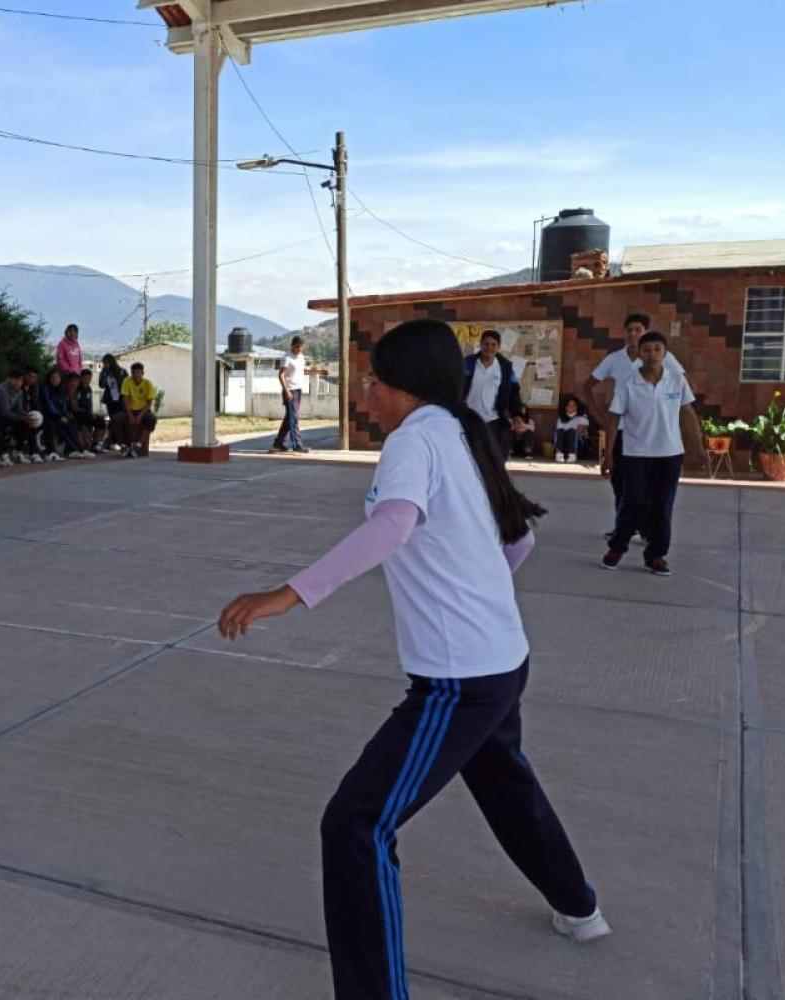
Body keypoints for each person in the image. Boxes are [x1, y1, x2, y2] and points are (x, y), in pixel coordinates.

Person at [216, 319, 607, 1000]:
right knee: (505, 783)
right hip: (501, 659)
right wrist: (478, 593)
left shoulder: (413, 441)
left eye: (374, 380)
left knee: (356, 824)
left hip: (459, 680)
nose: (365, 392)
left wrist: (288, 595)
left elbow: (393, 526)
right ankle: (580, 909)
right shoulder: (460, 433)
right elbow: (518, 543)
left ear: (406, 389)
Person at [602, 332, 705, 576]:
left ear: (665, 353)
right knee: (633, 502)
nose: (652, 354)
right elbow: (614, 417)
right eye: (647, 350)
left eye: (657, 349)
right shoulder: (628, 383)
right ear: (640, 353)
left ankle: (656, 555)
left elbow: (687, 414)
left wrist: (698, 447)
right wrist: (608, 455)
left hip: (669, 454)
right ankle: (617, 547)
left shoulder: (676, 381)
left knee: (663, 506)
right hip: (635, 454)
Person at [582, 312, 686, 514]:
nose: (633, 334)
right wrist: (599, 417)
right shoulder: (614, 359)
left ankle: (646, 528)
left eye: (638, 329)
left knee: (648, 486)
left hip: (652, 432)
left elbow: (682, 390)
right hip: (620, 431)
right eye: (629, 330)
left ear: (645, 331)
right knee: (619, 482)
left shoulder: (664, 357)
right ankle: (623, 525)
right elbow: (588, 386)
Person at [461, 329, 525, 460]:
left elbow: (514, 392)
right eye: (486, 344)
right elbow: (456, 386)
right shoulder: (467, 363)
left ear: (498, 347)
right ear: (480, 345)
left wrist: (517, 415)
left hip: (493, 420)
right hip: (469, 419)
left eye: (493, 344)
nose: (489, 347)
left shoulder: (506, 367)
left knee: (494, 459)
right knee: (469, 458)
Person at [0, 370, 36, 466]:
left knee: (27, 423)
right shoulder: (1, 390)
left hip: (7, 416)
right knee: (1, 422)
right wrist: (22, 418)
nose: (18, 382)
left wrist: (27, 416)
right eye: (15, 380)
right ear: (9, 379)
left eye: (20, 380)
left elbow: (19, 409)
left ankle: (17, 452)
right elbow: (4, 412)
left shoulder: (19, 391)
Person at [272, 335, 312, 454]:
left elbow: (302, 371)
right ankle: (297, 445)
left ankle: (279, 443)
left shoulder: (301, 357)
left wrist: (317, 371)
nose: (299, 350)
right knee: (293, 418)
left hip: (298, 390)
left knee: (289, 418)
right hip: (289, 391)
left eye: (301, 347)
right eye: (297, 347)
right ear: (292, 346)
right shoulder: (287, 357)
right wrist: (287, 391)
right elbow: (281, 375)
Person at [118, 362, 158, 458]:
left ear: (142, 373)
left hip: (143, 411)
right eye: (134, 373)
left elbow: (149, 403)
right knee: (116, 419)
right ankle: (124, 445)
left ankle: (138, 445)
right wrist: (130, 414)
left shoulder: (148, 384)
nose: (136, 375)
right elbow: (125, 399)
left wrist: (140, 415)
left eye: (138, 372)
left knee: (151, 419)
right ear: (131, 373)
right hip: (129, 410)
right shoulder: (127, 381)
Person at [41, 368, 83, 459]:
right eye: (53, 378)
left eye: (57, 378)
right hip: (48, 416)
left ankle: (75, 450)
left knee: (71, 421)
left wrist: (65, 415)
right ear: (49, 378)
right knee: (59, 424)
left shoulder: (61, 390)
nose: (55, 380)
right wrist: (59, 416)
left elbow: (63, 406)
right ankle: (71, 450)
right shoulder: (45, 389)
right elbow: (49, 405)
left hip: (59, 415)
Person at [73, 367, 109, 453]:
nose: (87, 380)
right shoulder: (77, 389)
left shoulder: (89, 389)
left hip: (88, 414)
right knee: (84, 421)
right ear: (81, 378)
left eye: (89, 378)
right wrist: (85, 412)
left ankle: (96, 443)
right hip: (78, 414)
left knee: (101, 421)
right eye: (85, 378)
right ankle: (86, 444)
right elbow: (75, 406)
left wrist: (92, 413)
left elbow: (90, 404)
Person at [99, 353, 127, 448]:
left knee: (117, 419)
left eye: (106, 363)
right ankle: (112, 441)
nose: (105, 365)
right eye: (104, 363)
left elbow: (126, 384)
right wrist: (104, 373)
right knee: (112, 419)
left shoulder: (122, 371)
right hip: (110, 400)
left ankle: (113, 440)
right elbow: (101, 385)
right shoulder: (104, 372)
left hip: (120, 399)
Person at [554, 396, 589, 464]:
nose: (571, 407)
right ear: (565, 407)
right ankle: (559, 454)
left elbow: (582, 431)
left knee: (572, 431)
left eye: (574, 405)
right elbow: (558, 430)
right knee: (560, 431)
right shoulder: (561, 417)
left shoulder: (582, 416)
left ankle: (572, 455)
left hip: (577, 443)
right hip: (563, 442)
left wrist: (573, 430)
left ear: (577, 406)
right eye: (569, 405)